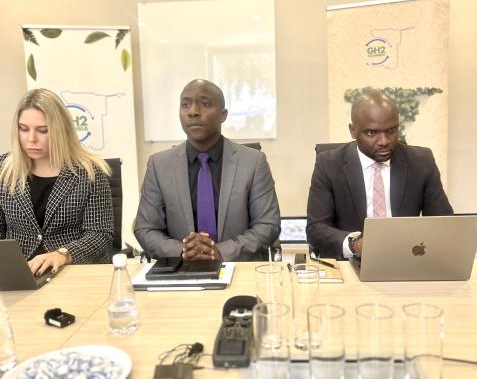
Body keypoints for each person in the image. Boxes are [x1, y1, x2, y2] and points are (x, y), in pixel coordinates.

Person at [135, 79, 281, 261]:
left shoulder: (253, 162)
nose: (193, 112)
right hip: (179, 272)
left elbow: (268, 225)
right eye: (185, 105)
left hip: (238, 268)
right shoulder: (159, 165)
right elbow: (146, 228)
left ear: (223, 114)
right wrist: (182, 251)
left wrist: (219, 252)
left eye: (204, 104)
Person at [307, 89, 453, 259]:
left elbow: (443, 223)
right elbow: (316, 229)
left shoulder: (421, 161)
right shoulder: (329, 165)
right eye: (372, 133)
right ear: (353, 131)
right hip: (352, 263)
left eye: (391, 130)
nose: (384, 141)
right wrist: (355, 244)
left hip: (408, 259)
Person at [0, 88, 114, 275]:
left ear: (60, 130)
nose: (31, 139)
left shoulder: (89, 172)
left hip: (72, 273)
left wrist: (63, 254)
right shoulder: (3, 170)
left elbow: (100, 235)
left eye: (42, 131)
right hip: (20, 275)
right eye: (23, 129)